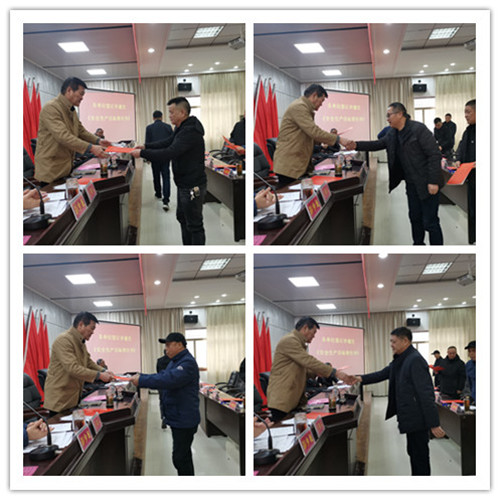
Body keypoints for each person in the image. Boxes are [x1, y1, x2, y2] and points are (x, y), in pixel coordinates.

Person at [348, 102, 444, 245]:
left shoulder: (419, 129)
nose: (387, 119)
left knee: (430, 221)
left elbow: (434, 154)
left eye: (389, 115)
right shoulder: (392, 133)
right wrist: (356, 144)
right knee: (414, 217)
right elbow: (377, 144)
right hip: (411, 183)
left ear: (400, 114)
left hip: (427, 182)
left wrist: (433, 181)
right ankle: (418, 245)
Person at [354, 327, 445, 475]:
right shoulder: (402, 358)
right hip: (410, 418)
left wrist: (433, 423)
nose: (391, 345)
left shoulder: (415, 360)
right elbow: (383, 373)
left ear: (405, 341)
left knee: (420, 456)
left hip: (417, 419)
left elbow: (425, 394)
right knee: (413, 453)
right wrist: (359, 378)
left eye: (393, 341)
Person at [132, 97, 207, 245]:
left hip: (192, 185)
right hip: (183, 183)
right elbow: (168, 142)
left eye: (172, 112)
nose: (170, 116)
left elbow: (169, 152)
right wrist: (146, 146)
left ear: (182, 112)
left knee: (194, 225)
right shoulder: (180, 127)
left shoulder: (190, 131)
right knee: (182, 218)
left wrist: (142, 154)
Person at [131, 332, 200, 476]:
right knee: (183, 456)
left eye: (168, 345)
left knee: (180, 458)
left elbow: (169, 379)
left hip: (185, 418)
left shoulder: (187, 363)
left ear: (179, 345)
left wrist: (142, 380)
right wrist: (142, 376)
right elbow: (162, 376)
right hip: (178, 416)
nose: (166, 349)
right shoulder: (175, 361)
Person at [266, 316, 356, 422]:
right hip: (282, 400)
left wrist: (318, 372)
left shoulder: (298, 343)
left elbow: (303, 370)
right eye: (313, 332)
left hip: (291, 399)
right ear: (305, 328)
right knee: (280, 428)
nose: (313, 336)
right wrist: (335, 373)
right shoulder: (290, 340)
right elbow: (309, 361)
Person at [34, 77, 111, 184]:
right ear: (69, 90)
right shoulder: (51, 108)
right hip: (51, 169)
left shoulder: (71, 110)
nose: (82, 98)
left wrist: (98, 141)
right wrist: (91, 148)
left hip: (66, 166)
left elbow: (81, 131)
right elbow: (63, 136)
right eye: (81, 94)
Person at [272, 84, 350, 187]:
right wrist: (338, 139)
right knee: (291, 194)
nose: (321, 104)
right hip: (289, 166)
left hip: (298, 163)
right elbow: (314, 131)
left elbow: (309, 135)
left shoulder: (305, 108)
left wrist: (323, 141)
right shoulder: (299, 107)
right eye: (321, 101)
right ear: (314, 95)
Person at [43, 312, 115, 415]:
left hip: (73, 396)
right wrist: (99, 375)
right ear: (81, 325)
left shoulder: (80, 342)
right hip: (60, 399)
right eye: (92, 328)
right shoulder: (64, 340)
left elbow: (88, 362)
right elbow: (73, 368)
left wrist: (104, 371)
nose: (92, 332)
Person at [455, 99, 476, 244]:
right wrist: (458, 159)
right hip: (471, 178)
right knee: (473, 210)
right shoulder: (468, 131)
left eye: (469, 112)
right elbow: (461, 147)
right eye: (465, 112)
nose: (465, 115)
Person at [145, 110, 174, 211]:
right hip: (165, 156)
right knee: (166, 177)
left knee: (156, 176)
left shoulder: (149, 128)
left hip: (154, 156)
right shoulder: (168, 127)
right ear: (162, 117)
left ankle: (158, 193)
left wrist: (148, 157)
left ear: (153, 118)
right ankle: (166, 200)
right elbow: (172, 142)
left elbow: (147, 143)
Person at [156, 339, 171, 429]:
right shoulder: (173, 361)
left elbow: (158, 372)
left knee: (162, 401)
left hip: (161, 384)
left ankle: (163, 418)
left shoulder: (159, 360)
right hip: (171, 384)